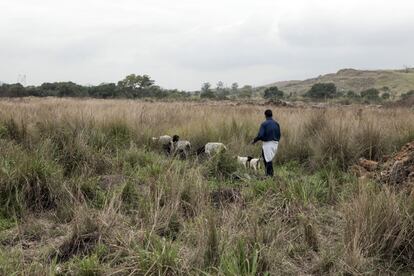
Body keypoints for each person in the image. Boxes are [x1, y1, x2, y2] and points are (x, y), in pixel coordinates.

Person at [252, 109, 281, 177]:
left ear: (265, 115)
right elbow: (279, 134)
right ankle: (268, 174)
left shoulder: (264, 124)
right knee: (266, 157)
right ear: (272, 115)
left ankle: (270, 175)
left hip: (268, 143)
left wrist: (255, 140)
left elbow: (260, 135)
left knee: (268, 159)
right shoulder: (276, 123)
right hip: (275, 143)